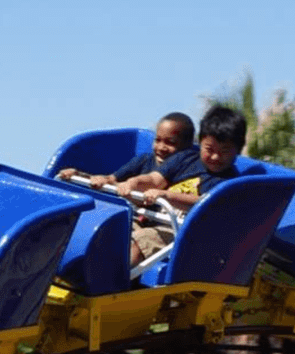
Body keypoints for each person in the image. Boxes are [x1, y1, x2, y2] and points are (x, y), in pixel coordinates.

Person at [116, 105, 245, 265]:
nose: (215, 157)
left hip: (182, 233)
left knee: (141, 242)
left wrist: (166, 196)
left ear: (237, 150)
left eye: (224, 151)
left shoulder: (230, 183)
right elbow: (155, 179)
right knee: (117, 227)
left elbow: (204, 204)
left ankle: (113, 279)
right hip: (151, 218)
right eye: (209, 149)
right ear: (201, 142)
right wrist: (133, 183)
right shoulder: (185, 159)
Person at [58, 112, 195, 188]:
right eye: (158, 140)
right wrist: (78, 175)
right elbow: (109, 180)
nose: (161, 147)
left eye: (170, 143)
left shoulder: (188, 171)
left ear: (187, 145)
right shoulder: (144, 161)